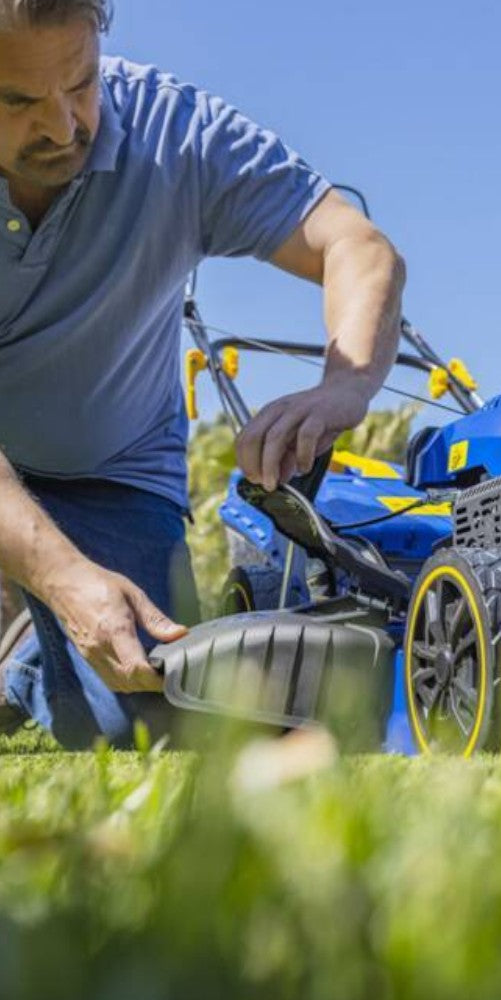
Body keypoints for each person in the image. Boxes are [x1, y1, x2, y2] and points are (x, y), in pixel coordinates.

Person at [0, 0, 406, 748]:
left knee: (143, 714)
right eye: (17, 101)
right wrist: (58, 573)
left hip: (107, 470)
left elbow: (356, 246)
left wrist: (342, 386)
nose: (62, 128)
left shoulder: (175, 131)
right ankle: (41, 602)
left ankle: (29, 654)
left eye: (80, 84)